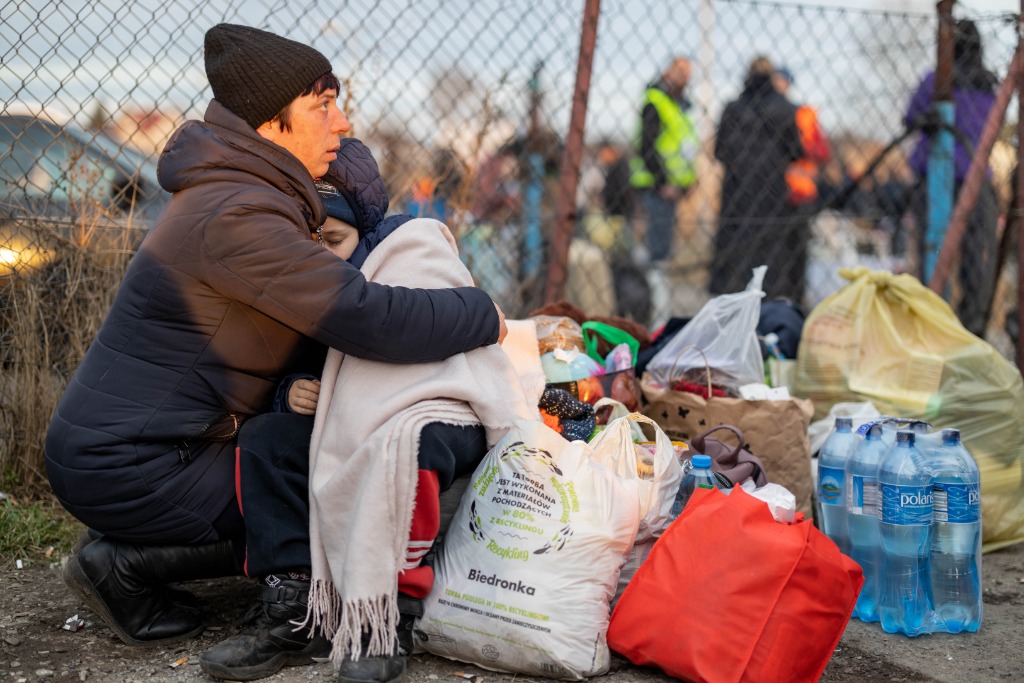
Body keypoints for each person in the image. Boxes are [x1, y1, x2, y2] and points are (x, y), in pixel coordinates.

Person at [45, 21, 506, 673]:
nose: (340, 122)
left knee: (291, 456)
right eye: (321, 104)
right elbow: (363, 316)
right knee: (326, 489)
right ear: (271, 123)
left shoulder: (243, 195)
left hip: (148, 446)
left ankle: (131, 551)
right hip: (130, 464)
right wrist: (482, 310)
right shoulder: (239, 215)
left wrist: (289, 391)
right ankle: (122, 562)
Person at [197, 137, 535, 682]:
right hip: (351, 416)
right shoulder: (306, 279)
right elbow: (308, 364)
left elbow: (458, 324)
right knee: (264, 438)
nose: (321, 255)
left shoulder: (411, 249)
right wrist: (296, 391)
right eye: (310, 242)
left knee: (407, 442)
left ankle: (386, 617)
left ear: (364, 229)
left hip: (444, 407)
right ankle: (295, 606)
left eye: (333, 239)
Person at [904, 18, 999, 336]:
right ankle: (971, 328)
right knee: (975, 259)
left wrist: (929, 117)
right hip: (975, 177)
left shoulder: (938, 80)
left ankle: (931, 323)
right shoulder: (989, 86)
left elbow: (910, 118)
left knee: (933, 251)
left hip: (935, 177)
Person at [712, 55, 803, 300]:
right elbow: (796, 151)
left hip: (737, 191)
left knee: (735, 246)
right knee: (770, 248)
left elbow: (719, 151)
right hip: (772, 191)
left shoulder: (733, 108)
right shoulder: (785, 108)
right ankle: (767, 299)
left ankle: (731, 296)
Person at [629, 56, 699, 265]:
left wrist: (688, 181)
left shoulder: (681, 105)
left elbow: (683, 147)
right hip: (655, 185)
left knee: (663, 245)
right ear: (666, 72)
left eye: (687, 72)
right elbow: (647, 146)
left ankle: (654, 285)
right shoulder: (656, 101)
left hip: (672, 187)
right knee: (655, 246)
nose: (684, 77)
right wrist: (662, 183)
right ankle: (649, 288)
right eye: (679, 71)